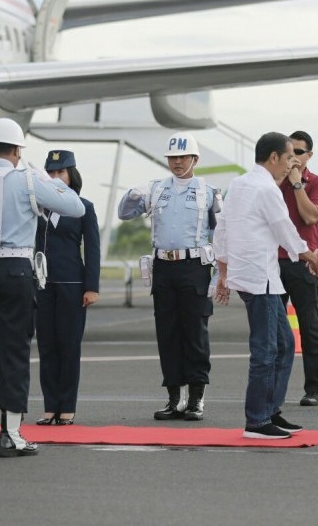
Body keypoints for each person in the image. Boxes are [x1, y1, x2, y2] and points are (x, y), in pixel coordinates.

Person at [0, 118, 85, 457]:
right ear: (18, 149)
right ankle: (12, 435)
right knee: (14, 353)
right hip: (16, 273)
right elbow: (75, 206)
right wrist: (42, 177)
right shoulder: (29, 181)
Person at [213, 132, 318, 440]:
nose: (292, 164)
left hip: (262, 278)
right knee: (265, 350)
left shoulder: (239, 184)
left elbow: (221, 229)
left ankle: (271, 411)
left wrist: (223, 272)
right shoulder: (266, 188)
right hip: (258, 278)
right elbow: (285, 230)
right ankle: (257, 421)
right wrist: (310, 257)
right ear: (273, 158)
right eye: (289, 158)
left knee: (285, 344)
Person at [118, 132, 219, 422]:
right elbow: (124, 214)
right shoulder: (155, 189)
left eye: (183, 157)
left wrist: (219, 276)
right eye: (173, 157)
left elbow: (220, 234)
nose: (177, 162)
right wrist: (131, 194)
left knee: (195, 333)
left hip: (195, 266)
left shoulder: (207, 191)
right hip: (163, 266)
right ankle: (175, 398)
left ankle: (197, 399)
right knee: (168, 333)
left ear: (194, 159)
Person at [34, 150, 100, 426]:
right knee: (46, 346)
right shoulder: (36, 206)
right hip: (42, 285)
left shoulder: (83, 206)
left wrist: (91, 286)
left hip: (72, 285)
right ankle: (50, 407)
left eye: (61, 172)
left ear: (72, 174)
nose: (56, 177)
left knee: (68, 346)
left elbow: (93, 249)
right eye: (50, 173)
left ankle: (67, 408)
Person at [279, 131, 318, 407]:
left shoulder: (316, 183)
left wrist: (297, 184)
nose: (294, 157)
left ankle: (315, 389)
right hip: (274, 262)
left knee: (310, 328)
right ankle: (274, 387)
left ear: (309, 155)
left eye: (299, 152)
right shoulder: (273, 182)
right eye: (290, 152)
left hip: (304, 263)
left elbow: (310, 216)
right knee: (273, 329)